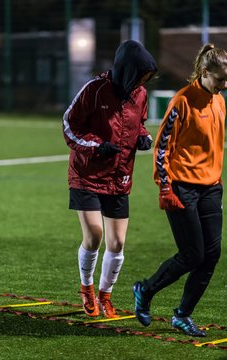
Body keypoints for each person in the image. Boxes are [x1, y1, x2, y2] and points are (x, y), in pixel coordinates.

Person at [133, 43, 227, 336]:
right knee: (192, 255)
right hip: (181, 186)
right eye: (220, 79)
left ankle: (182, 315)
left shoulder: (220, 101)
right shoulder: (182, 102)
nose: (224, 85)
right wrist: (164, 187)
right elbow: (162, 147)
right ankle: (145, 290)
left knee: (212, 255)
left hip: (211, 188)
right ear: (204, 72)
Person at [63, 40, 158, 318]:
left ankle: (106, 295)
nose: (143, 82)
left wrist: (143, 137)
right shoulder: (94, 90)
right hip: (87, 174)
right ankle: (87, 289)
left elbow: (138, 123)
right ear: (127, 69)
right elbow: (70, 125)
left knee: (117, 244)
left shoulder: (139, 93)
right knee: (94, 235)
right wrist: (97, 145)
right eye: (141, 75)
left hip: (119, 176)